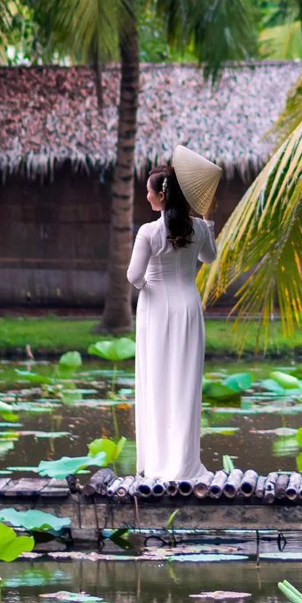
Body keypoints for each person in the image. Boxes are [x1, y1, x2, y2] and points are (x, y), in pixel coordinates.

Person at [126, 146, 221, 482]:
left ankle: (158, 463)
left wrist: (147, 280)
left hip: (156, 310)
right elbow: (209, 258)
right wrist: (208, 224)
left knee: (157, 382)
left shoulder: (148, 232)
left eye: (148, 191)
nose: (146, 195)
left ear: (159, 195)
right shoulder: (198, 228)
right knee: (184, 384)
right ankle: (183, 463)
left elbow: (134, 277)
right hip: (188, 308)